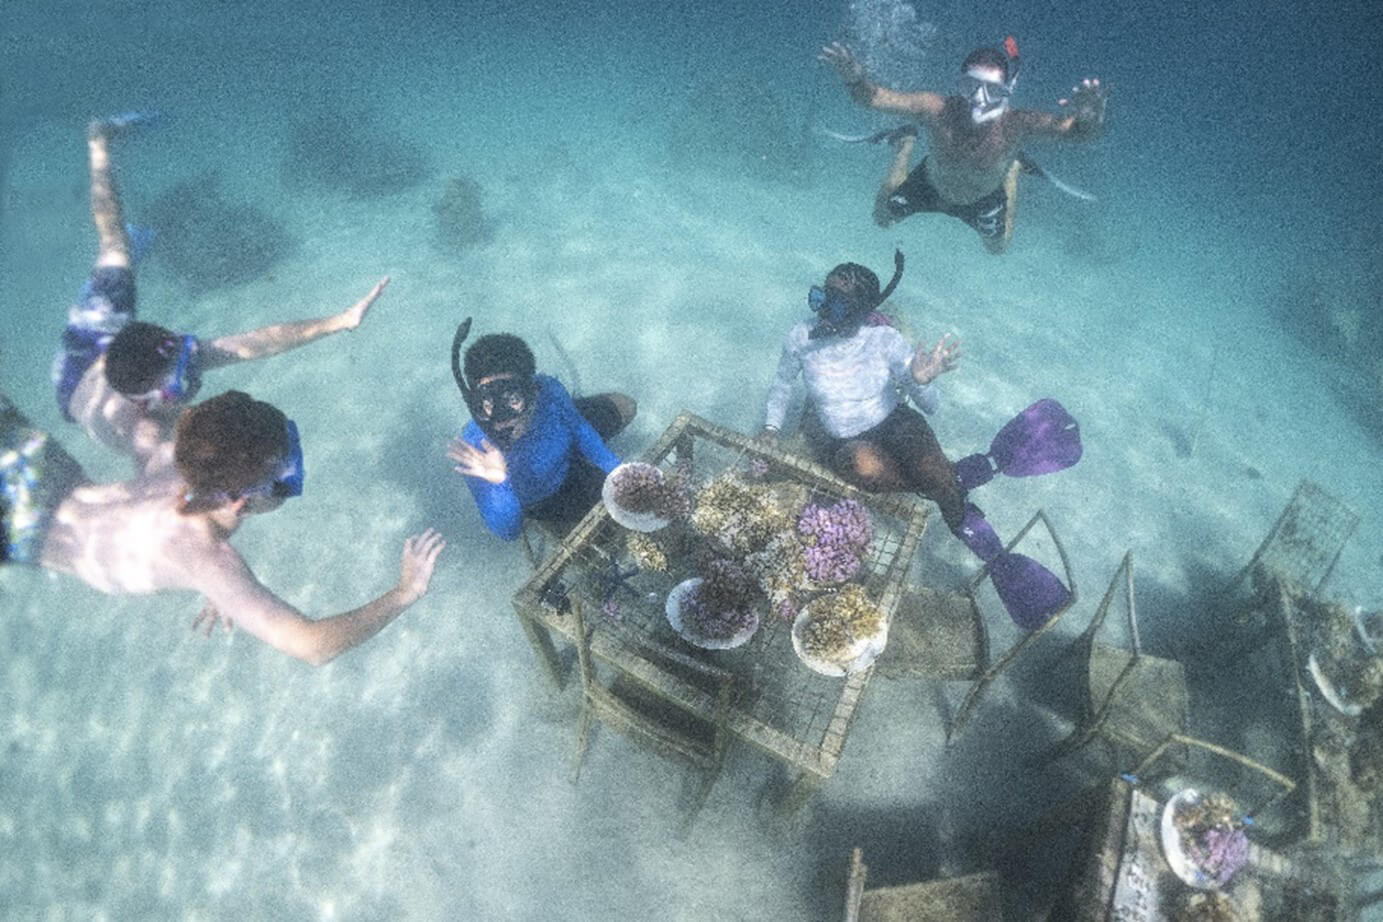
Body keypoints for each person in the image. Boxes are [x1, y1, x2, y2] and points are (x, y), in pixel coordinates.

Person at [1, 390, 444, 664]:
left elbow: (149, 422)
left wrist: (218, 589)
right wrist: (404, 593)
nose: (290, 480)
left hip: (39, 464)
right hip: (18, 522)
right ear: (239, 499)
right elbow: (313, 645)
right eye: (283, 477)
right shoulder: (208, 560)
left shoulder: (184, 459)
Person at [761, 254, 1081, 629]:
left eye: (840, 304)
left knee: (933, 470)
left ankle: (987, 547)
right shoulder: (801, 336)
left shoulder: (884, 340)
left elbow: (930, 407)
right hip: (842, 438)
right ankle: (963, 475)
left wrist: (923, 380)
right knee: (867, 467)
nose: (825, 312)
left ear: (864, 311)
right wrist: (770, 428)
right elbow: (782, 384)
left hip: (895, 421)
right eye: (821, 298)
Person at [54, 115, 389, 471]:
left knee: (115, 243)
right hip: (75, 377)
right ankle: (138, 234)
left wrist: (339, 321)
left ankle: (98, 142)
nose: (195, 378)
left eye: (186, 359)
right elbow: (155, 486)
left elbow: (257, 342)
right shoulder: (146, 432)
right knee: (121, 247)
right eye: (183, 380)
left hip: (97, 334)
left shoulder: (171, 369)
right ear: (146, 400)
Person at [821, 36, 1107, 253]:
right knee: (881, 219)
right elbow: (874, 98)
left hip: (984, 198)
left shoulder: (1017, 122)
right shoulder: (936, 108)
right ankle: (906, 142)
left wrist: (1090, 118)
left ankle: (1014, 169)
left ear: (1006, 91)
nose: (979, 100)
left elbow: (1079, 133)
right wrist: (854, 77)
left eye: (993, 91)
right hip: (930, 185)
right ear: (959, 83)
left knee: (997, 249)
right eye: (971, 87)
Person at [446, 321, 637, 541]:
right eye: (488, 403)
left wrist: (617, 470)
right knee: (608, 540)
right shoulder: (476, 451)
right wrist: (500, 484)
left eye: (512, 399)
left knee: (625, 405)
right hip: (547, 497)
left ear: (532, 389)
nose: (502, 419)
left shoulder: (548, 389)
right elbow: (508, 532)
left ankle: (570, 438)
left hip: (563, 443)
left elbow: (579, 428)